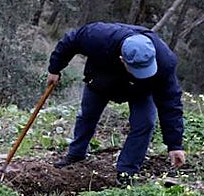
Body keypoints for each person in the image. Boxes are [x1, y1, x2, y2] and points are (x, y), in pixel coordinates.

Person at [47, 21, 186, 180]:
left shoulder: (165, 61)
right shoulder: (98, 36)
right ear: (122, 59)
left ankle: (127, 172)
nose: (142, 72)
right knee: (87, 115)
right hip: (101, 79)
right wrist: (55, 68)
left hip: (142, 89)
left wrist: (175, 145)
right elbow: (71, 40)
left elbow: (171, 103)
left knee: (145, 123)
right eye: (138, 70)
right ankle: (75, 154)